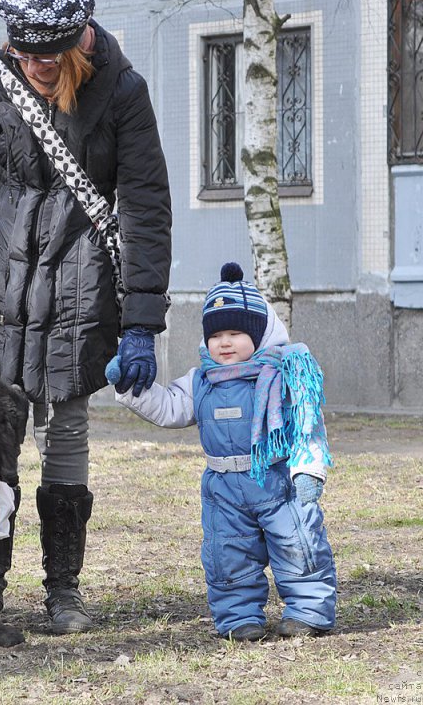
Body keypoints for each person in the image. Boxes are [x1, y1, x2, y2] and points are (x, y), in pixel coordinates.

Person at [0, 0, 172, 634]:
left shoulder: (123, 93)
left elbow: (145, 209)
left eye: (47, 53)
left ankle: (64, 590)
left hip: (80, 285)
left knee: (68, 433)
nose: (33, 65)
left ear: (78, 38)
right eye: (23, 52)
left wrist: (141, 322)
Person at [108, 262, 337, 641]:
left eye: (235, 333)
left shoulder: (283, 374)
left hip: (277, 482)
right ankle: (238, 617)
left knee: (298, 544)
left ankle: (308, 610)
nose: (225, 342)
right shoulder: (201, 382)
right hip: (224, 489)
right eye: (216, 335)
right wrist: (133, 388)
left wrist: (309, 470)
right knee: (227, 553)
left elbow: (308, 427)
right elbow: (168, 408)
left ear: (260, 334)